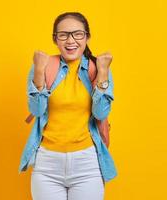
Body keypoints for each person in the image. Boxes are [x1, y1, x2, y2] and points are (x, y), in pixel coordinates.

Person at [18, 12, 117, 200]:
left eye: (77, 34)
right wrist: (38, 71)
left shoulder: (97, 67)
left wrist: (103, 73)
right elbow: (37, 110)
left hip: (87, 163)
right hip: (47, 163)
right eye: (63, 35)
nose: (70, 40)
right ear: (55, 39)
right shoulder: (44, 66)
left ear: (87, 37)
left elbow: (101, 112)